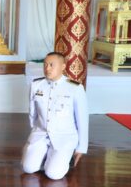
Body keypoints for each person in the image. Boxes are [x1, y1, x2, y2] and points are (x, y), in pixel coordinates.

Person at [21, 52, 88, 180]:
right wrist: (35, 132)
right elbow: (32, 113)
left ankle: (60, 157)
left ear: (63, 66)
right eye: (45, 65)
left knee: (53, 174)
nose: (47, 68)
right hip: (41, 135)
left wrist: (81, 148)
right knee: (28, 168)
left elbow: (82, 120)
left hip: (64, 138)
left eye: (52, 65)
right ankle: (43, 154)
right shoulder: (36, 85)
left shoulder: (75, 88)